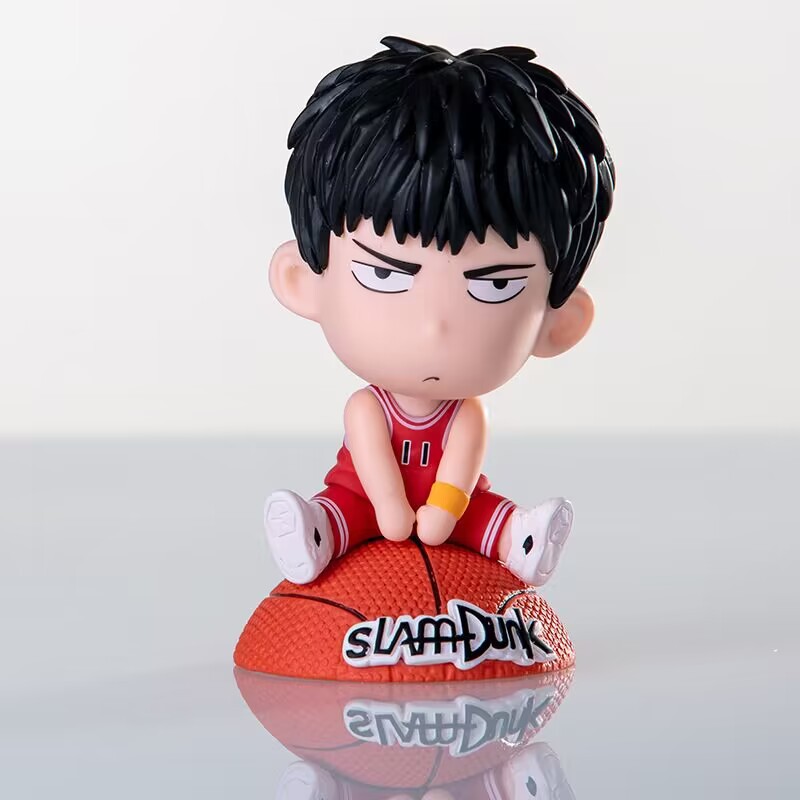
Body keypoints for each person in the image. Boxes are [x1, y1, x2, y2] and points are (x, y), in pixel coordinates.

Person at [264, 36, 615, 585]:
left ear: (558, 324)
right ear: (302, 282)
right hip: (368, 500)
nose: (433, 327)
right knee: (345, 508)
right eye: (384, 274)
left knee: (484, 513)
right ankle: (316, 531)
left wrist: (442, 514)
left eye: (495, 285)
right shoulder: (367, 408)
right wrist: (392, 510)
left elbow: (459, 472)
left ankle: (521, 538)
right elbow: (374, 468)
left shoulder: (467, 415)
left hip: (451, 510)